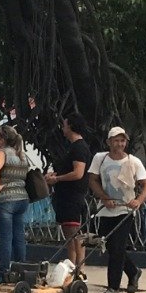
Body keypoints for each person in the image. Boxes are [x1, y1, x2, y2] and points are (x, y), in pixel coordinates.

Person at [88, 126, 146, 293]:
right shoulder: (100, 159)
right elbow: (93, 180)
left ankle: (113, 287)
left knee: (117, 247)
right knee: (110, 246)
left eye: (122, 140)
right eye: (116, 140)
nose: (119, 144)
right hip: (106, 209)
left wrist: (138, 200)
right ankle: (133, 271)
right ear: (109, 142)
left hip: (125, 210)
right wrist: (103, 197)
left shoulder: (133, 162)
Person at [46, 113, 92, 273]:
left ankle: (81, 268)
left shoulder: (79, 147)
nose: (63, 128)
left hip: (73, 196)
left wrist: (58, 179)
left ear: (71, 126)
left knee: (75, 233)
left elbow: (78, 173)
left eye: (65, 125)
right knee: (69, 235)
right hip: (65, 196)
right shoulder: (71, 147)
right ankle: (71, 266)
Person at [0, 125, 29, 282]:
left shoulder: (2, 153)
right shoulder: (21, 154)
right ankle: (22, 270)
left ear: (2, 138)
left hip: (5, 200)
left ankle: (3, 272)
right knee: (18, 237)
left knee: (5, 237)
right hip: (21, 199)